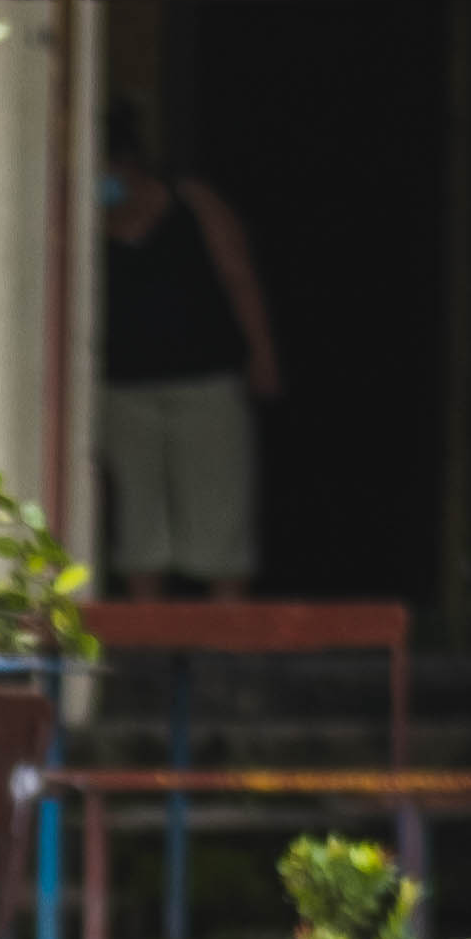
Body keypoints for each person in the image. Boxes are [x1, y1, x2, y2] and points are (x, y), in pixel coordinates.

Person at [100, 102, 280, 600]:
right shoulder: (82, 224)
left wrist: (262, 354)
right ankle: (148, 662)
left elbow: (239, 277)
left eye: (109, 171)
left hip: (206, 385)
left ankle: (225, 662)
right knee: (139, 532)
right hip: (124, 391)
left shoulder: (192, 204)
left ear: (131, 163)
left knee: (220, 525)